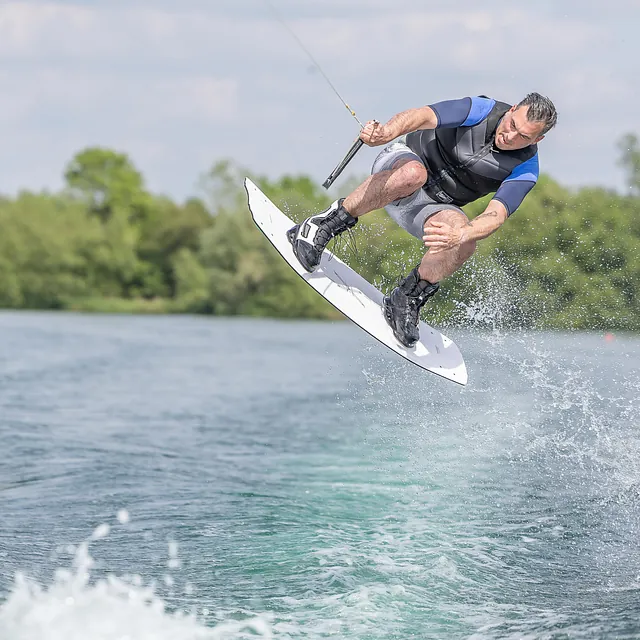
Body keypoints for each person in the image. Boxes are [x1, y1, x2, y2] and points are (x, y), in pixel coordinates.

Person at [287, 92, 558, 348]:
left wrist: (461, 235)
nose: (509, 136)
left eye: (522, 136)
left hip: (429, 207)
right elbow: (423, 115)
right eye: (511, 124)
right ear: (511, 110)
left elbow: (495, 215)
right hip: (400, 169)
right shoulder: (483, 110)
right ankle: (323, 225)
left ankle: (406, 297)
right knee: (414, 173)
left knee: (466, 240)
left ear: (537, 140)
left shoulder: (526, 169)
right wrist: (385, 133)